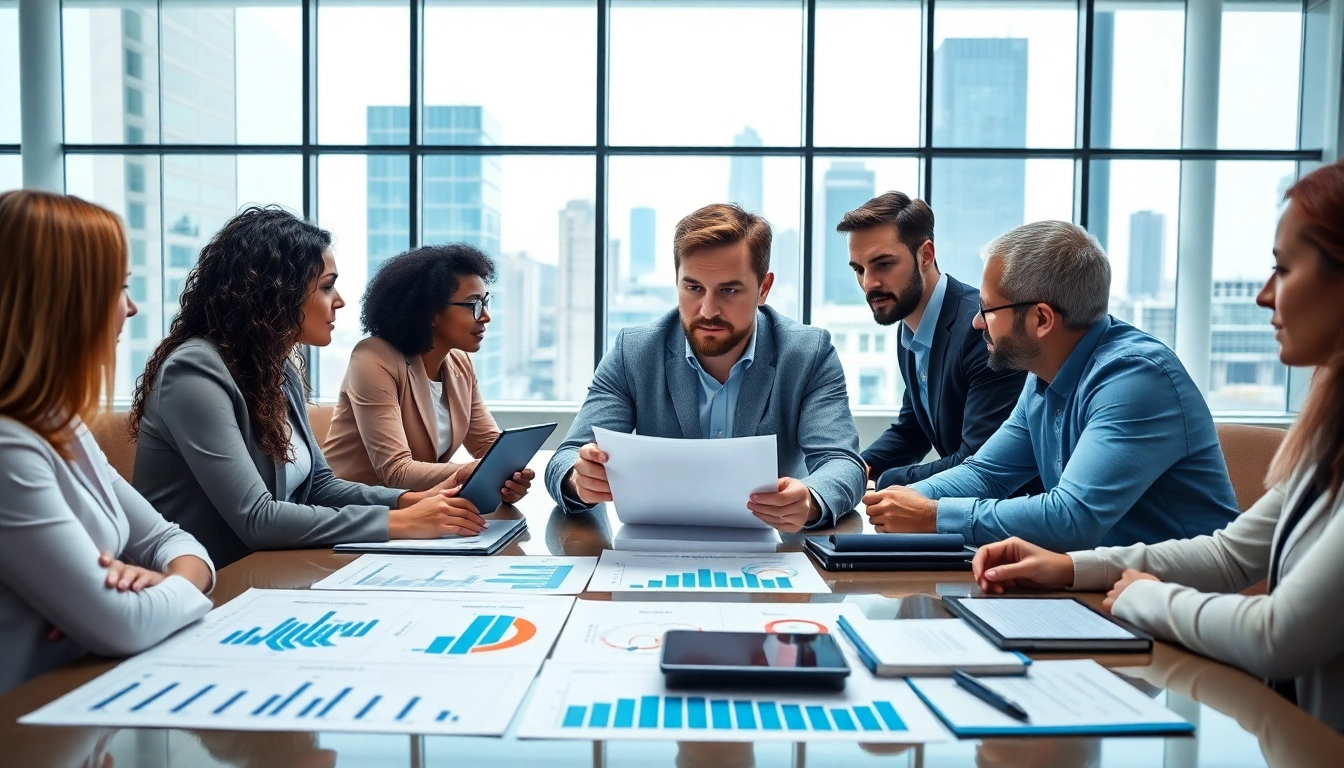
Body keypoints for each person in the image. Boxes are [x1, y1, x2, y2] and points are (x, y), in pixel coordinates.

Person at [969, 160, 1344, 733]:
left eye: (1284, 270)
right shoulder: (1330, 437)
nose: (1265, 296)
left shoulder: (1134, 374)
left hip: (1248, 683)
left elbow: (1278, 637)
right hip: (1267, 710)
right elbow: (1226, 553)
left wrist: (1144, 596)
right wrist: (1068, 571)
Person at [130, 207, 484, 569]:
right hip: (208, 580)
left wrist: (409, 500)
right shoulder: (193, 372)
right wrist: (400, 523)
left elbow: (319, 486)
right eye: (327, 286)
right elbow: (257, 519)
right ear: (276, 292)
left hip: (271, 567)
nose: (341, 300)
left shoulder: (277, 368)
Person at [864, 220, 1238, 550]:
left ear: (1041, 319)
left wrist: (933, 514)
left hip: (1179, 605)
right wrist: (904, 501)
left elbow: (1071, 517)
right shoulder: (1044, 375)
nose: (977, 323)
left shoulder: (1136, 378)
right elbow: (986, 474)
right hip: (1101, 588)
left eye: (988, 310)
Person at [0, 189, 214, 693]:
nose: (132, 308)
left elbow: (172, 541)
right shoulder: (9, 448)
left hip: (80, 701)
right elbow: (124, 624)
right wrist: (178, 587)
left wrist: (164, 583)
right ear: (65, 305)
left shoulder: (58, 423)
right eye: (119, 288)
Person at [545, 203, 865, 532]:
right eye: (694, 288)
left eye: (729, 290)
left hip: (771, 554)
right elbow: (566, 456)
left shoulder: (808, 354)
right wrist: (578, 479)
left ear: (763, 288)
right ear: (677, 282)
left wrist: (810, 499)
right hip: (657, 550)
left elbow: (842, 463)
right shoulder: (635, 351)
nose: (708, 310)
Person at [838, 191, 1035, 491]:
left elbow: (978, 462)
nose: (869, 283)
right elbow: (913, 430)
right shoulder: (909, 328)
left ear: (926, 255)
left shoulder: (981, 331)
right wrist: (855, 470)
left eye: (884, 264)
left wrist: (886, 481)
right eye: (860, 269)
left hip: (1016, 522)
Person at [323, 244, 534, 501]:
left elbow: (488, 444)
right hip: (354, 513)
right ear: (430, 312)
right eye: (473, 305)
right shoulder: (373, 358)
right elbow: (396, 471)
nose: (486, 316)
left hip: (421, 512)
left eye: (485, 302)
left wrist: (508, 479)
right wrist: (473, 472)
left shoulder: (459, 363)